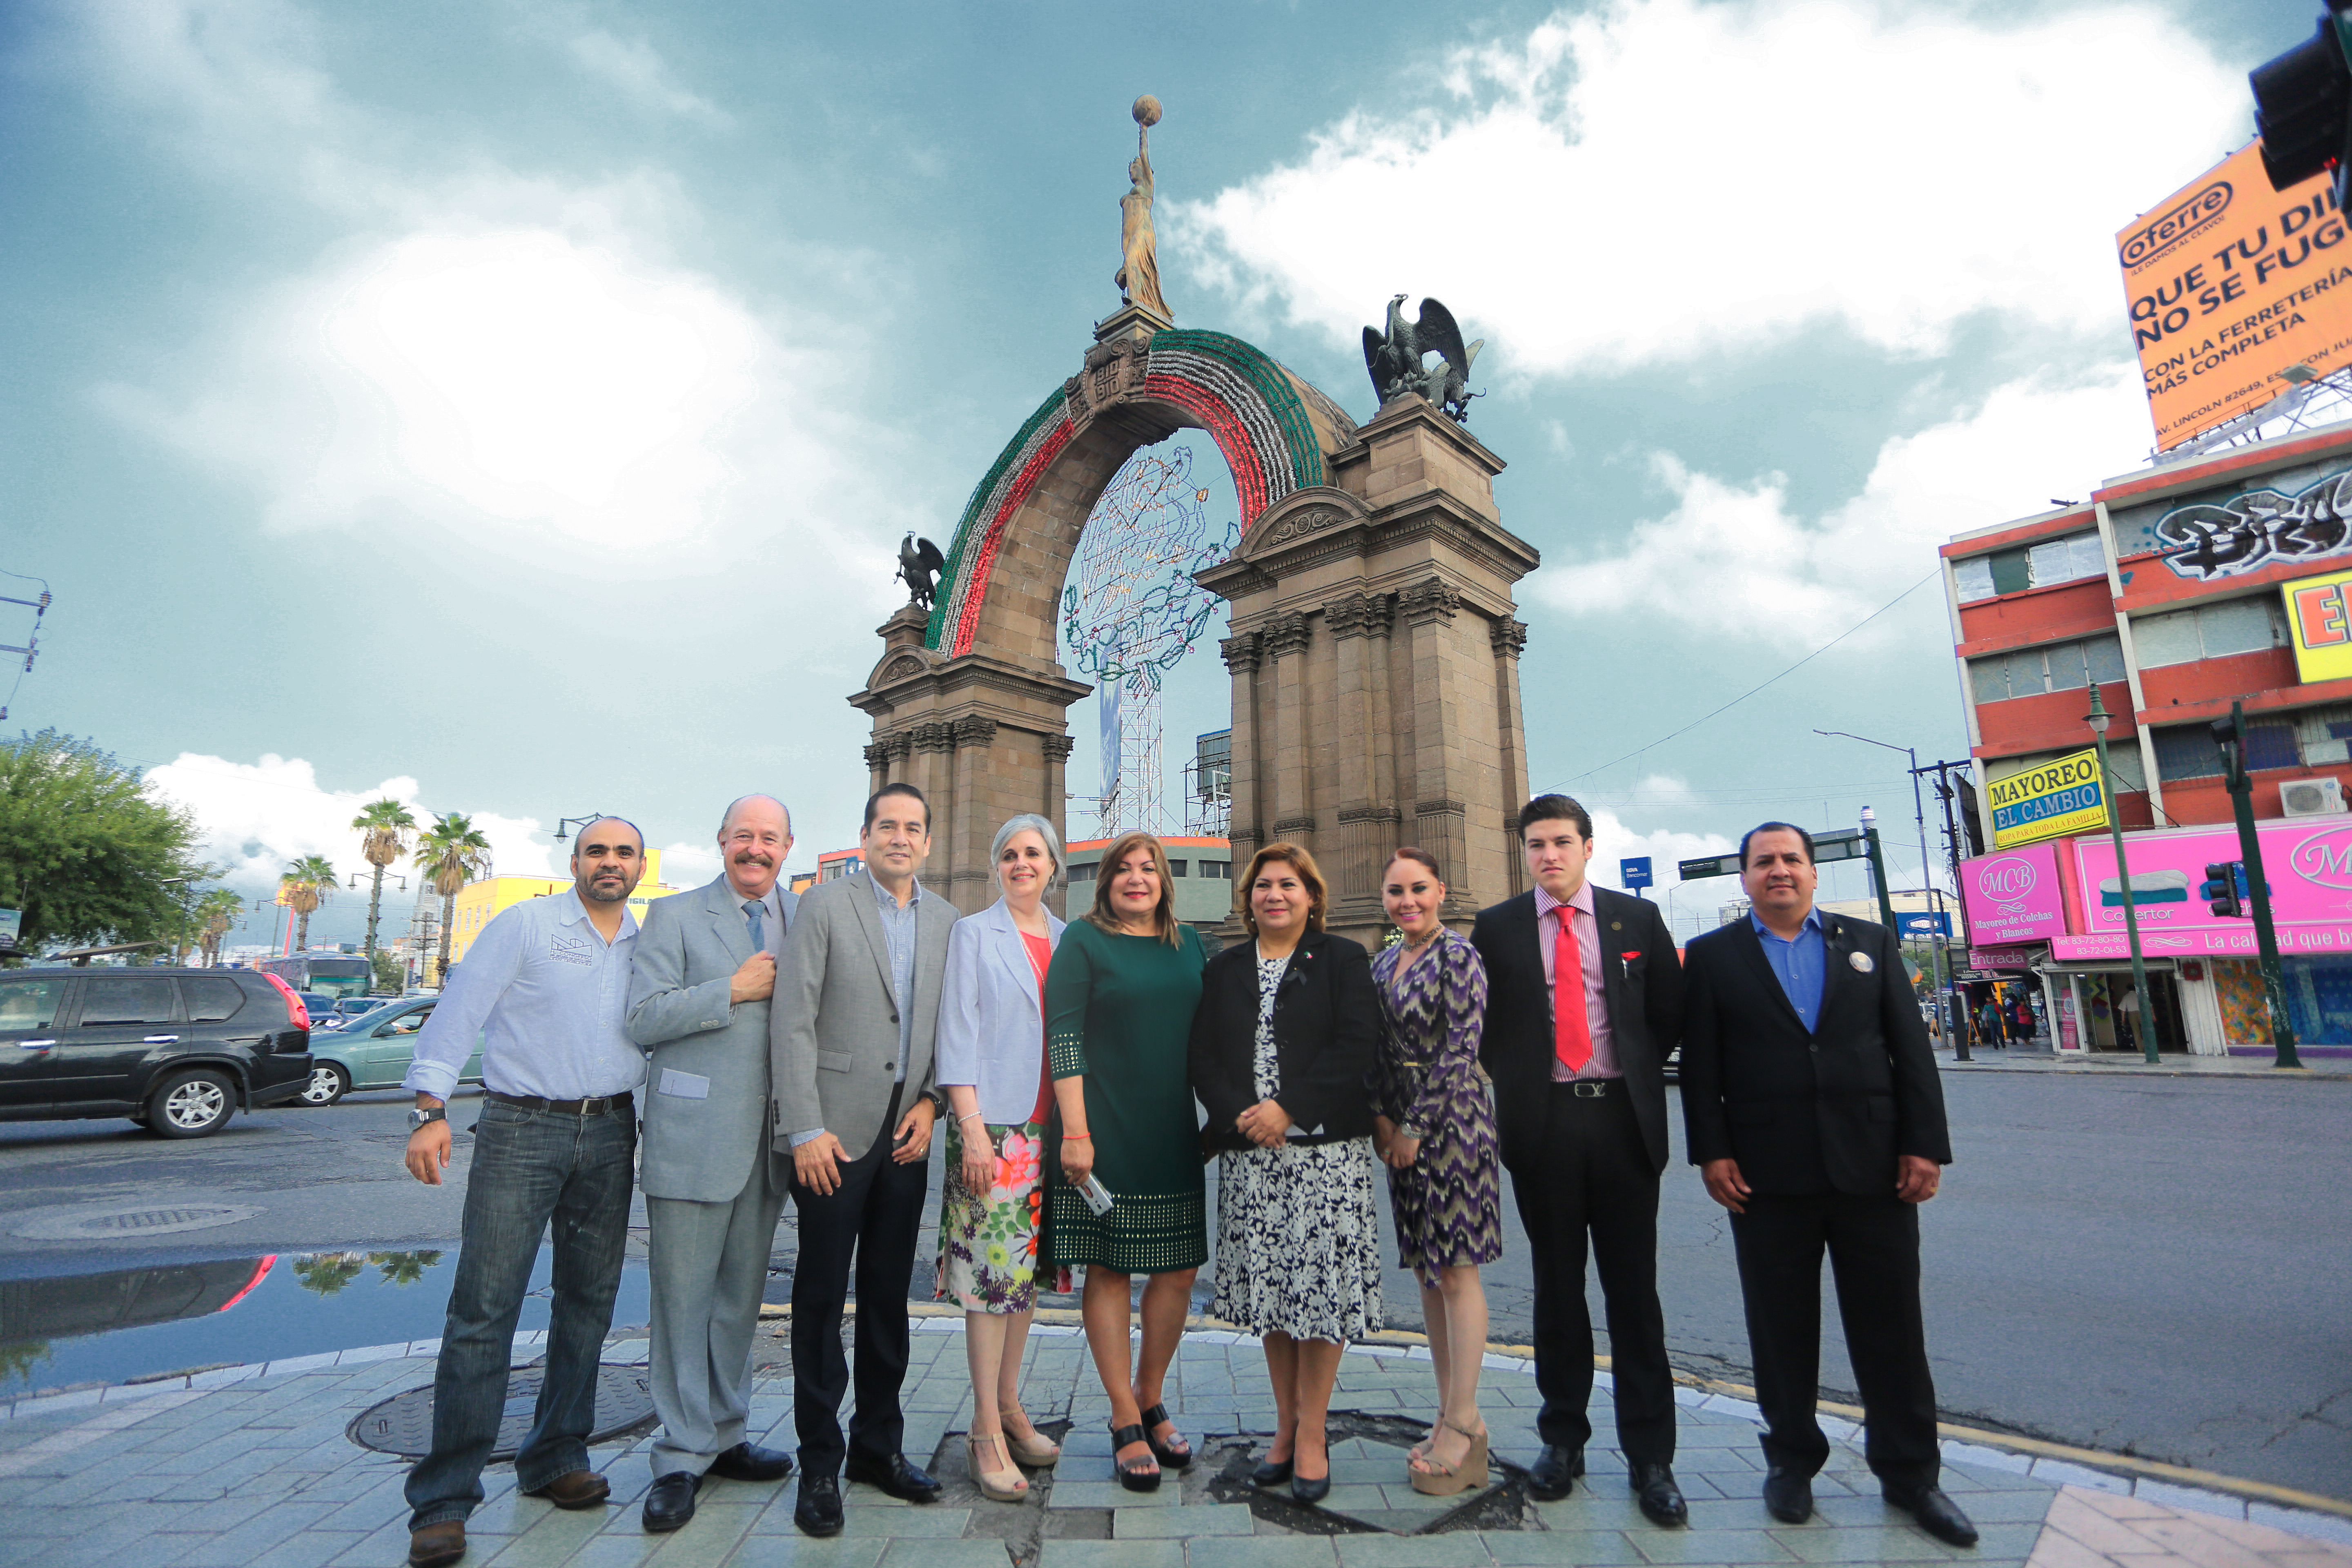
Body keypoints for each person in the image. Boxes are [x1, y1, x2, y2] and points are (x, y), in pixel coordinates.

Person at [1679, 823, 1975, 1548]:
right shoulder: (1716, 959)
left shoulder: (1867, 943)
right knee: (1781, 1332)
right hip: (1765, 1176)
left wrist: (1923, 1146)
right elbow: (1702, 1068)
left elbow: (1911, 1050)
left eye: (1791, 861)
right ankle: (1791, 1466)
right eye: (1764, 863)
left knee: (1893, 1330)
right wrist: (1711, 1154)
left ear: (1812, 874)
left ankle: (1912, 1477)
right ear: (1745, 879)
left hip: (1874, 1171)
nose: (1778, 872)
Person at [398, 818, 650, 1568]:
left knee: (588, 1302)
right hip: (520, 1128)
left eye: (624, 853)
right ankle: (444, 1499)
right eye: (597, 851)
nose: (611, 863)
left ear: (640, 866)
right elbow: (459, 1012)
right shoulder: (527, 924)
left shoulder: (645, 941)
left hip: (611, 1133)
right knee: (484, 1307)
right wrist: (429, 1111)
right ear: (574, 861)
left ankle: (555, 1455)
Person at [1471, 795, 1688, 1525]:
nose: (1549, 856)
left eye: (1562, 842)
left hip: (1623, 1123)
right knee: (1557, 1292)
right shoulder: (1498, 928)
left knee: (1635, 1297)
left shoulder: (1636, 919)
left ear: (1589, 847)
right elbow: (1484, 1026)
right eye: (1535, 845)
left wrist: (1624, 1067)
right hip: (1546, 1126)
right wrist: (1525, 1080)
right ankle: (1562, 1441)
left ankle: (1651, 1458)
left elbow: (1667, 1016)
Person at [769, 783, 961, 1537]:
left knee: (888, 1298)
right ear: (866, 834)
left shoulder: (946, 919)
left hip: (907, 1136)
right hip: (833, 1138)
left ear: (928, 840)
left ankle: (876, 1449)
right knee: (819, 1298)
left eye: (915, 827)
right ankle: (819, 1461)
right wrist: (805, 1128)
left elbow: (953, 1022)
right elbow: (794, 1022)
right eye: (889, 826)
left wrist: (935, 1102)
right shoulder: (825, 905)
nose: (901, 838)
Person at [623, 795, 799, 1532]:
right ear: (721, 841)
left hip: (769, 1145)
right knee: (682, 1302)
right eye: (743, 837)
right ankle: (679, 1453)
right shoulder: (675, 916)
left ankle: (727, 1434)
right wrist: (731, 990)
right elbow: (642, 1018)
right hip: (693, 1138)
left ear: (788, 847)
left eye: (769, 838)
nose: (755, 849)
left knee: (737, 1302)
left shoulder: (805, 917)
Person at [1191, 842, 1383, 1505]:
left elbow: (1358, 1042)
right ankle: (1283, 1427)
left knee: (1322, 1298)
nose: (1274, 895)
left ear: (1312, 895)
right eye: (1262, 886)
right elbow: (1205, 1055)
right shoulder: (1225, 969)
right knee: (1273, 1294)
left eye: (1288, 885)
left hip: (1325, 1157)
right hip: (1253, 1157)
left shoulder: (1343, 959)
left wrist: (1289, 1108)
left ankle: (1312, 1434)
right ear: (1247, 900)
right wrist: (1244, 1116)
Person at [1043, 830, 1207, 1492]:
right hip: (1101, 1125)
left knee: (1178, 1268)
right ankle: (1121, 1415)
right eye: (1124, 870)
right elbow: (1064, 1033)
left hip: (1171, 1125)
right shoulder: (1083, 941)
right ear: (1105, 881)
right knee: (1110, 1266)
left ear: (1165, 881)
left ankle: (1150, 1393)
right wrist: (1076, 1132)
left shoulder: (1190, 944)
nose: (1138, 879)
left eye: (1150, 869)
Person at [934, 814, 1069, 1502]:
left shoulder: (1071, 941)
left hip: (1054, 1132)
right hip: (997, 1129)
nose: (1022, 864)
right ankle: (984, 1429)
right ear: (997, 866)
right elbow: (956, 1033)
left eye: (1034, 854)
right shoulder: (973, 933)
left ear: (1055, 866)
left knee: (1025, 1281)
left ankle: (1011, 1406)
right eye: (1010, 854)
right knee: (991, 1285)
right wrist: (973, 1129)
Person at [1369, 847, 1503, 1496]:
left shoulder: (1461, 957)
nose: (1407, 901)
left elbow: (1459, 1051)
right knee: (1427, 1267)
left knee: (1457, 1267)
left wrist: (1415, 1128)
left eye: (1418, 889)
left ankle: (1463, 1420)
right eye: (1396, 892)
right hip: (1400, 1127)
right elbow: (1373, 1047)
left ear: (1440, 891)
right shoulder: (1384, 962)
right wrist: (1382, 1122)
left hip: (1453, 1125)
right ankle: (1452, 1412)